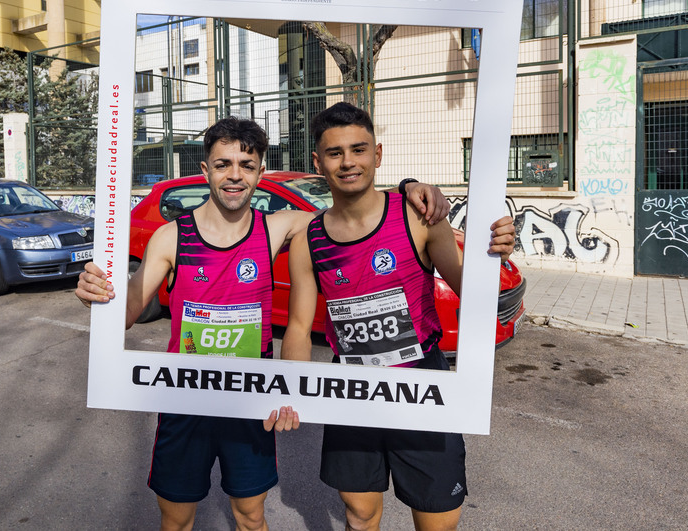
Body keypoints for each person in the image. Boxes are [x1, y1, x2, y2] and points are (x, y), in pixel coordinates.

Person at [75, 116, 452, 531]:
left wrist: (409, 187)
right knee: (176, 521)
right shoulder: (171, 237)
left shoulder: (279, 227)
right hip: (185, 401)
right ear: (206, 170)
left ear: (259, 172)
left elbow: (350, 210)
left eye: (247, 165)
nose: (235, 176)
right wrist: (99, 294)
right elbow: (126, 313)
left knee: (251, 517)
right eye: (223, 164)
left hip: (248, 402)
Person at [281, 103, 516, 531]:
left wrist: (492, 251)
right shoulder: (309, 240)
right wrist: (292, 391)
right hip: (350, 389)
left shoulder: (416, 217)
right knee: (360, 514)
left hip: (423, 384)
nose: (348, 161)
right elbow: (298, 327)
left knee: (437, 521)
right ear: (318, 162)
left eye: (359, 149)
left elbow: (471, 288)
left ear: (378, 154)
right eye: (335, 153)